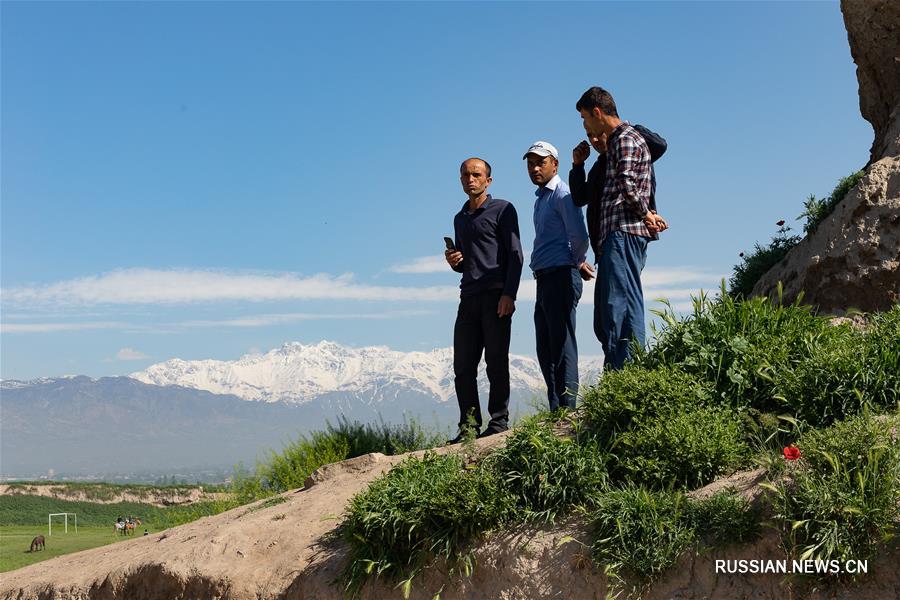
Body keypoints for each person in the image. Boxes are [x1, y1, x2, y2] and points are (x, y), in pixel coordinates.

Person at [575, 86, 667, 370]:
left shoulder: (625, 139)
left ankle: (629, 374)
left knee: (622, 307)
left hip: (624, 232)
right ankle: (618, 371)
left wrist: (646, 214)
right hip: (613, 237)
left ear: (597, 112)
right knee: (608, 312)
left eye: (585, 119)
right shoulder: (617, 142)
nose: (586, 127)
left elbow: (627, 184)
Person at [445, 157, 524, 443]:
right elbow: (465, 262)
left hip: (495, 296)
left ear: (488, 180)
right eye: (465, 174)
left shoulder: (503, 209)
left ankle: (499, 422)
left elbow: (516, 255)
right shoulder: (460, 217)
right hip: (468, 297)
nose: (470, 179)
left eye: (476, 174)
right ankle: (468, 427)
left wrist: (509, 294)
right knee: (463, 366)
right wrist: (455, 261)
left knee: (495, 361)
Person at [524, 141, 591, 411]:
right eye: (530, 164)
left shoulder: (562, 194)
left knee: (562, 345)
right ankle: (556, 410)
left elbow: (579, 234)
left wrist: (576, 261)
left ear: (555, 164)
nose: (535, 168)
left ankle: (568, 409)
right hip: (545, 278)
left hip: (561, 275)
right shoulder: (541, 198)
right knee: (546, 348)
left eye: (541, 162)